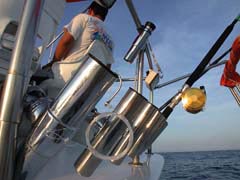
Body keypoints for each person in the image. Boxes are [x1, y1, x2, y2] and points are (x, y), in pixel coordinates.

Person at [40, 0, 115, 98]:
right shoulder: (111, 40)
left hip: (64, 79)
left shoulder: (84, 18)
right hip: (85, 90)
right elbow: (107, 68)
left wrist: (53, 63)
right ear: (104, 16)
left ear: (90, 10)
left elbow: (66, 41)